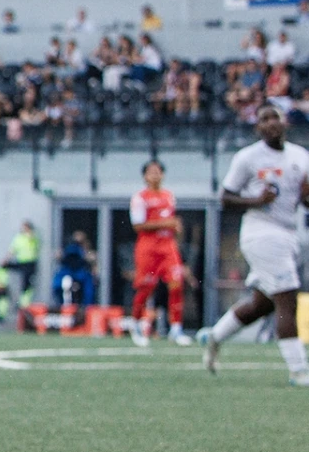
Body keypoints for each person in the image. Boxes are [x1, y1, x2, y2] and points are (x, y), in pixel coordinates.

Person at [198, 104, 309, 384]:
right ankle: (299, 370)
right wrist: (256, 201)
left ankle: (215, 336)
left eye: (275, 117)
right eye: (264, 119)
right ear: (257, 128)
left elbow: (304, 200)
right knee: (287, 297)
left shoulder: (300, 156)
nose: (271, 123)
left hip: (288, 232)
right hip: (260, 232)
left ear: (285, 122)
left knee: (263, 304)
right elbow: (226, 198)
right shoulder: (248, 158)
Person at [128, 160, 190, 347]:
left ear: (163, 175)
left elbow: (172, 224)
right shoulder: (140, 198)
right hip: (148, 247)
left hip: (167, 246)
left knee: (176, 285)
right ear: (145, 176)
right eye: (151, 172)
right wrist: (166, 224)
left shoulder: (169, 196)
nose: (155, 175)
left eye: (158, 172)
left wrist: (175, 230)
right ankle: (137, 324)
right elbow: (138, 225)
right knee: (146, 287)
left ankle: (176, 329)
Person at [5, 220, 40, 306]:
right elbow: (12, 249)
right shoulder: (19, 238)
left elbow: (37, 245)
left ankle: (24, 302)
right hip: (21, 262)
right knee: (22, 281)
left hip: (30, 262)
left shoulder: (33, 237)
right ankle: (21, 301)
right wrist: (6, 259)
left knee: (28, 282)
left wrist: (30, 236)